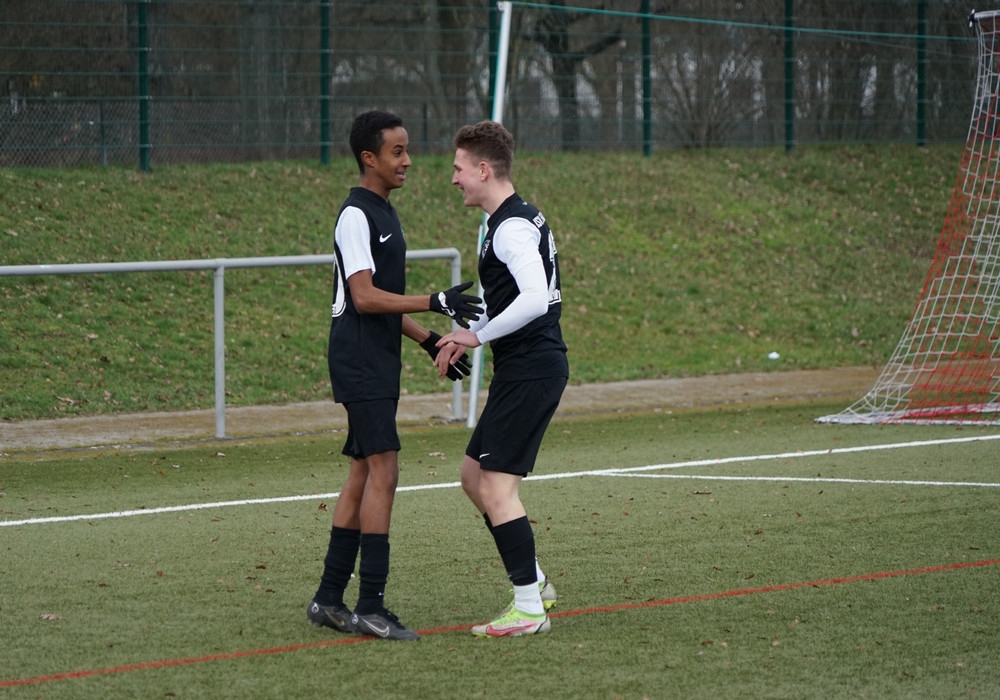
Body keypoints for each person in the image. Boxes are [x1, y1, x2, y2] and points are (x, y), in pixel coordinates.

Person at [306, 110, 481, 641]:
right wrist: (434, 301)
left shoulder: (384, 211)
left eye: (407, 150)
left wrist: (428, 338)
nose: (407, 161)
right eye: (397, 152)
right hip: (359, 359)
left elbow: (382, 302)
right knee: (385, 470)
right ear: (369, 158)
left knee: (363, 471)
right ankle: (371, 608)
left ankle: (328, 600)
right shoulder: (356, 215)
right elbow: (362, 297)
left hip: (375, 357)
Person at [435, 120, 568, 637]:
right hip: (523, 368)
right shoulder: (507, 220)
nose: (454, 178)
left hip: (532, 368)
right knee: (474, 477)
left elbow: (534, 299)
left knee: (495, 487)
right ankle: (536, 583)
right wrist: (465, 333)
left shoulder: (510, 227)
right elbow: (508, 296)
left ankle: (529, 609)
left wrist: (478, 336)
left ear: (484, 169)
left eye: (459, 168)